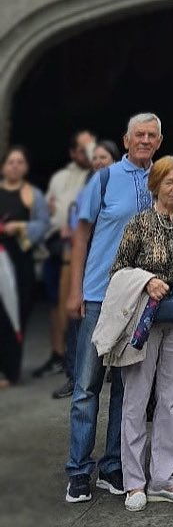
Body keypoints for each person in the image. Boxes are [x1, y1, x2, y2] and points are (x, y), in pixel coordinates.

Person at [64, 111, 162, 503]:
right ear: (125, 140)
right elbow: (80, 236)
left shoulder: (164, 178)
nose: (145, 140)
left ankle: (112, 466)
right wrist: (74, 291)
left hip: (139, 299)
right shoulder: (103, 179)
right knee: (87, 388)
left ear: (159, 140)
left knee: (127, 389)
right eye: (139, 134)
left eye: (152, 135)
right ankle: (78, 471)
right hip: (99, 296)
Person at [108, 155, 173, 512]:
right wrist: (147, 280)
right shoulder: (138, 223)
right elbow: (118, 269)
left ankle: (163, 479)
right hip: (144, 319)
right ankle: (134, 483)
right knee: (136, 399)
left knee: (171, 399)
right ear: (156, 185)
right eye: (169, 182)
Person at [53, 139, 120, 401]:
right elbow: (74, 230)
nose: (99, 162)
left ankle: (111, 375)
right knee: (78, 328)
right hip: (86, 268)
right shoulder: (88, 188)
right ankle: (74, 376)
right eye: (96, 158)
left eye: (104, 157)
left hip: (113, 274)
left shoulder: (119, 188)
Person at [34, 130, 95, 381]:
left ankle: (79, 361)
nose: (89, 154)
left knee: (77, 303)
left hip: (79, 246)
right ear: (72, 153)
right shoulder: (60, 177)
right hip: (55, 243)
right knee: (54, 302)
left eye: (92, 148)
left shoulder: (98, 175)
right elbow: (49, 206)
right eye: (83, 149)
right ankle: (58, 353)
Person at [0, 145, 50, 386]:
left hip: (21, 262)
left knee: (16, 315)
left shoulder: (33, 195)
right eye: (11, 162)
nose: (15, 166)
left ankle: (10, 371)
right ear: (3, 166)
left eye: (20, 162)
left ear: (26, 167)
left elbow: (43, 226)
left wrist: (20, 227)